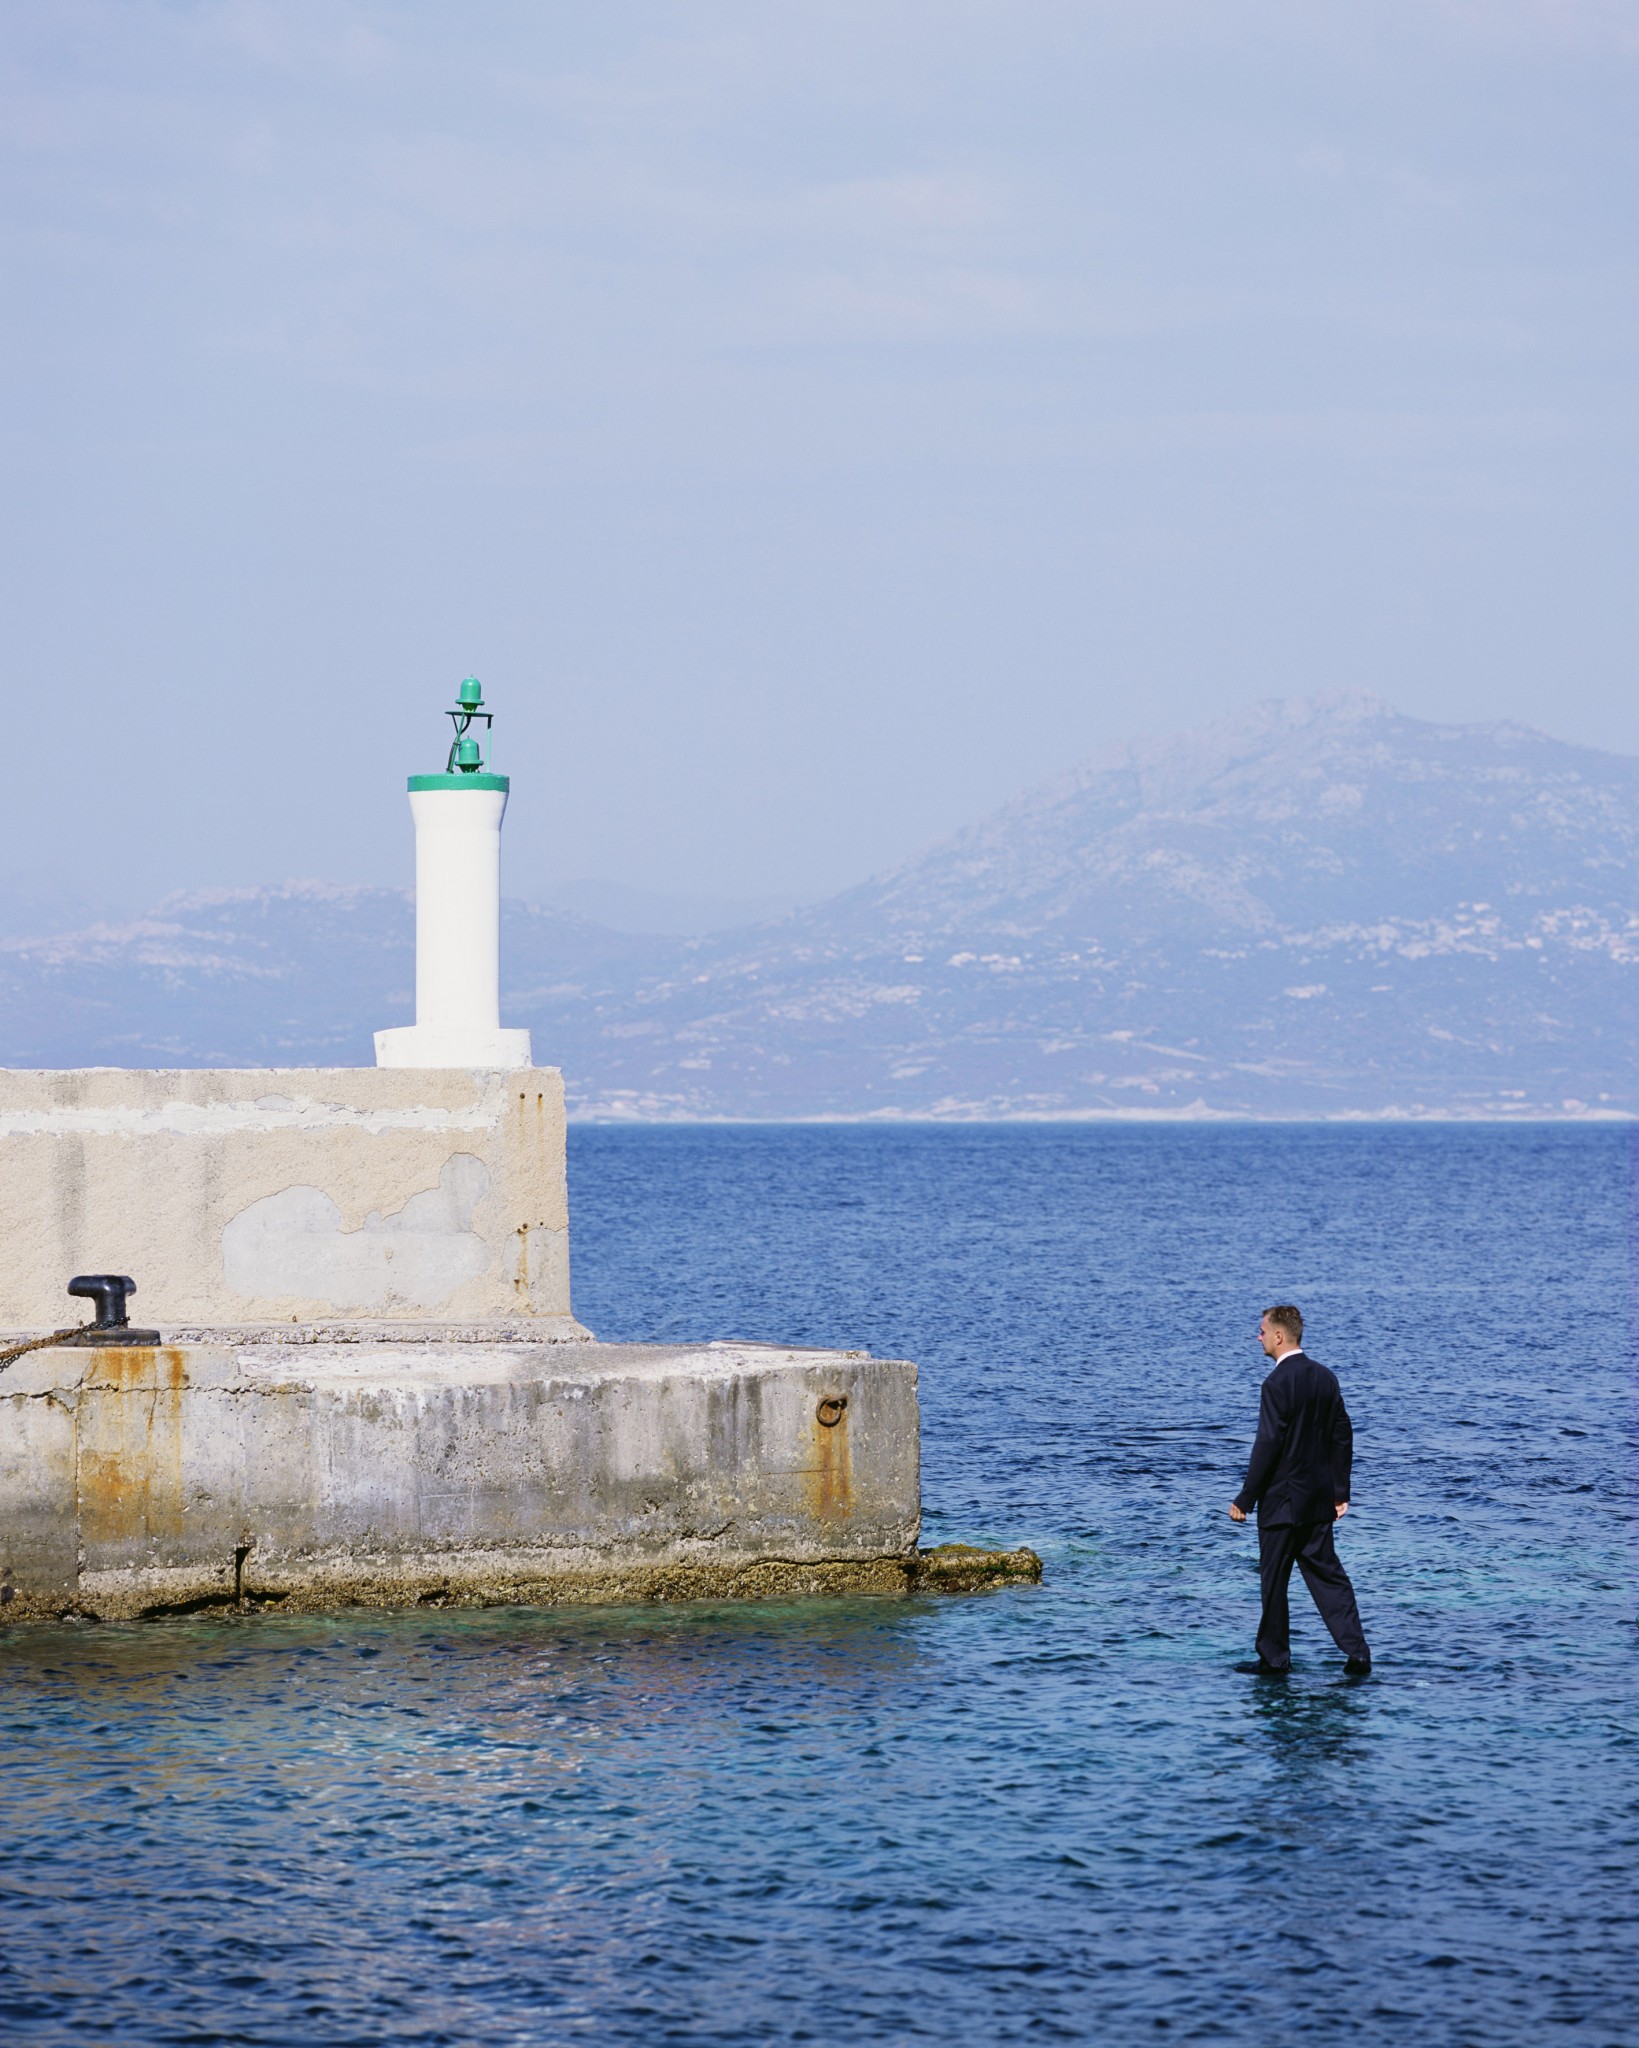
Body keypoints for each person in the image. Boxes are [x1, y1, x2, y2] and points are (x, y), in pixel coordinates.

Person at [1227, 1305, 1372, 1676]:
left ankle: (1275, 1660)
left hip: (1280, 1503)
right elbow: (1343, 1433)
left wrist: (1246, 1497)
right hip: (1317, 1502)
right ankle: (1357, 1653)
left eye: (1262, 1331)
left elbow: (1268, 1443)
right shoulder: (1326, 1377)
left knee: (1274, 1582)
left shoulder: (1276, 1384)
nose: (1258, 1337)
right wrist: (1340, 1491)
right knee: (1329, 1578)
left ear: (1279, 1336)